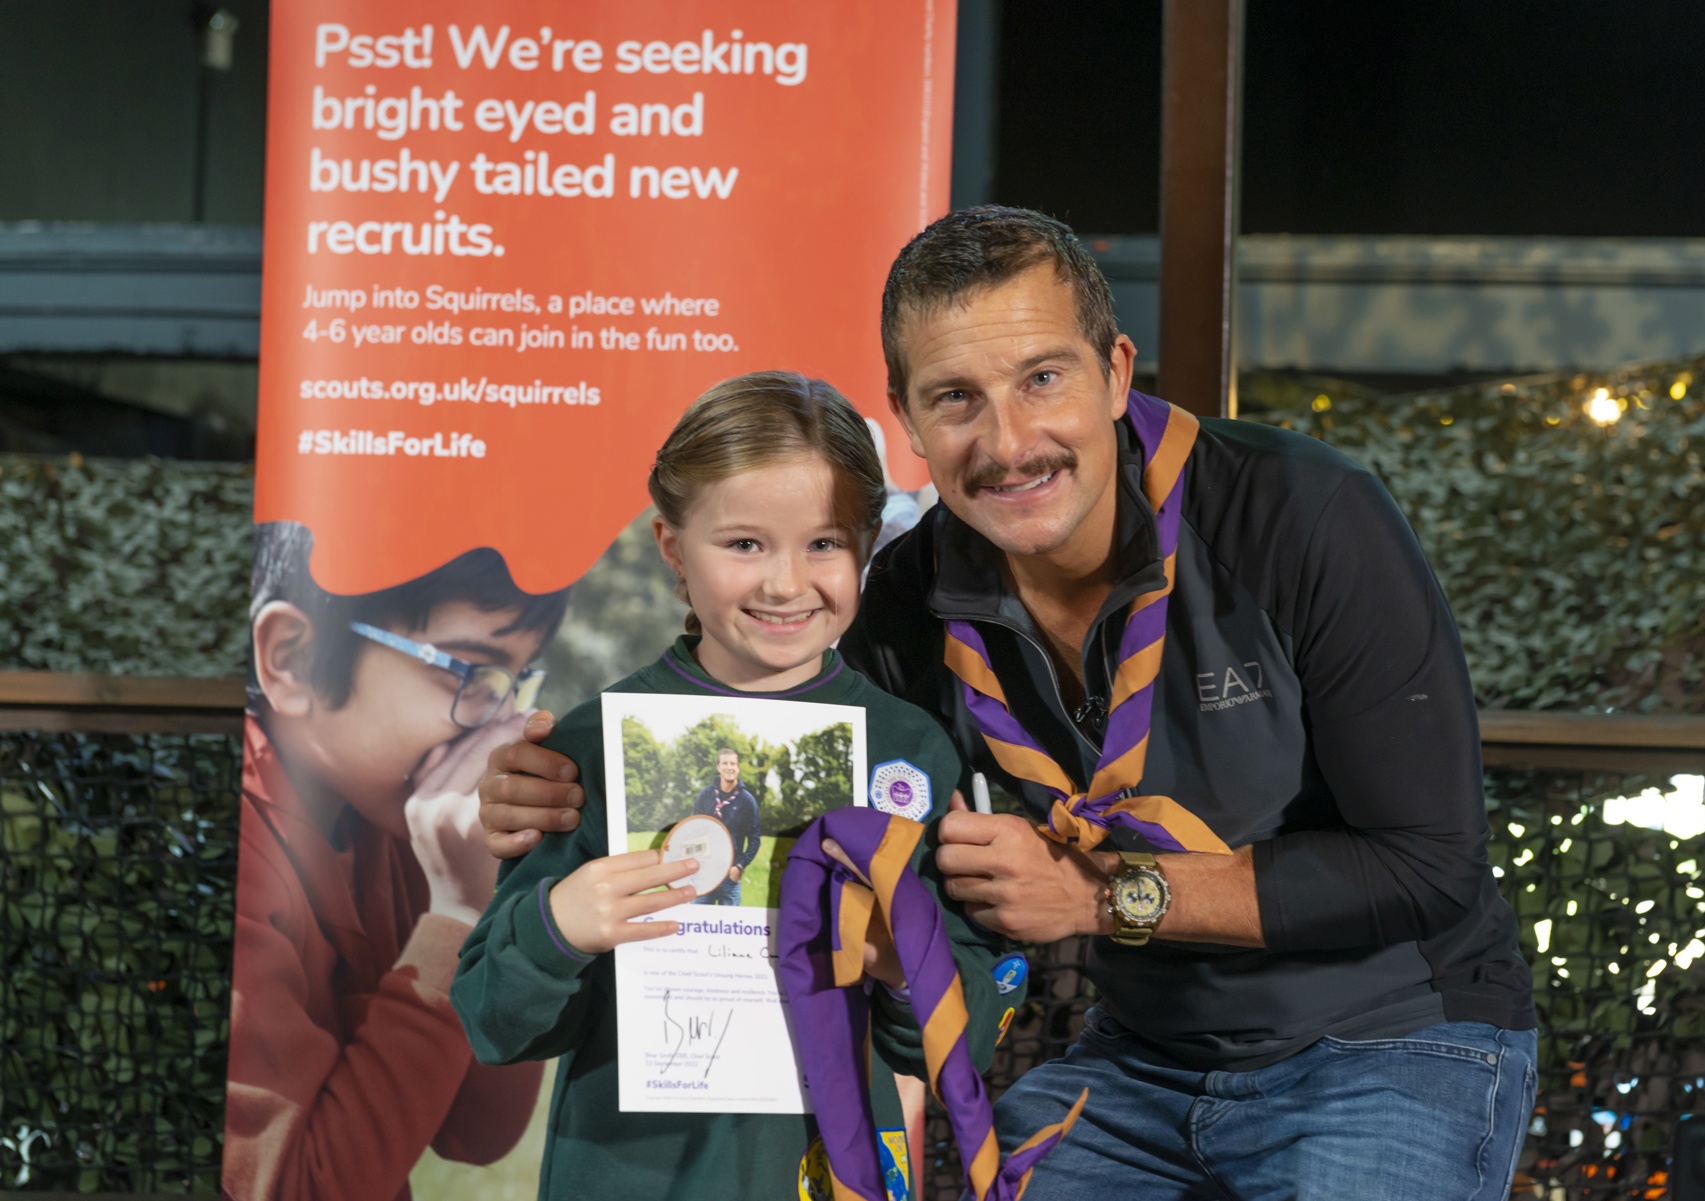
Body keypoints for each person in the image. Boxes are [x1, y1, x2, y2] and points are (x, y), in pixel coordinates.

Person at [475, 208, 1537, 1200]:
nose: (1009, 440)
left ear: (1115, 373)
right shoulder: (902, 604)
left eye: (1042, 378)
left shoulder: (1303, 516)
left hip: (1395, 1038)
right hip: (1146, 1062)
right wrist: (563, 782)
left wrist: (1098, 898)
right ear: (908, 420)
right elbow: (760, 729)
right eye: (955, 398)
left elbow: (1429, 868)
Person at [448, 372, 1006, 1200]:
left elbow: (967, 1039)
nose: (786, 583)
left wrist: (901, 966)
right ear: (673, 546)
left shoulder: (910, 749)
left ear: (867, 545)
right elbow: (494, 1021)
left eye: (824, 543)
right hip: (632, 1175)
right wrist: (558, 925)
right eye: (745, 544)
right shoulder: (588, 748)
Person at [224, 524, 560, 1201]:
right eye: (468, 670)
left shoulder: (394, 824)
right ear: (292, 658)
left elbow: (477, 1129)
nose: (499, 725)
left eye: (515, 683)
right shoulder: (231, 854)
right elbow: (299, 1187)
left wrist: (499, 899)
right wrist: (458, 915)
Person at [690, 746, 759, 905]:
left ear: (738, 768)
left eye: (733, 764)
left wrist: (740, 867)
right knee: (697, 922)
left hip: (730, 874)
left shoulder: (747, 801)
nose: (729, 767)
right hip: (705, 873)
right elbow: (693, 831)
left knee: (729, 925)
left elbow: (755, 839)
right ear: (718, 767)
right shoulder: (705, 795)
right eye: (725, 763)